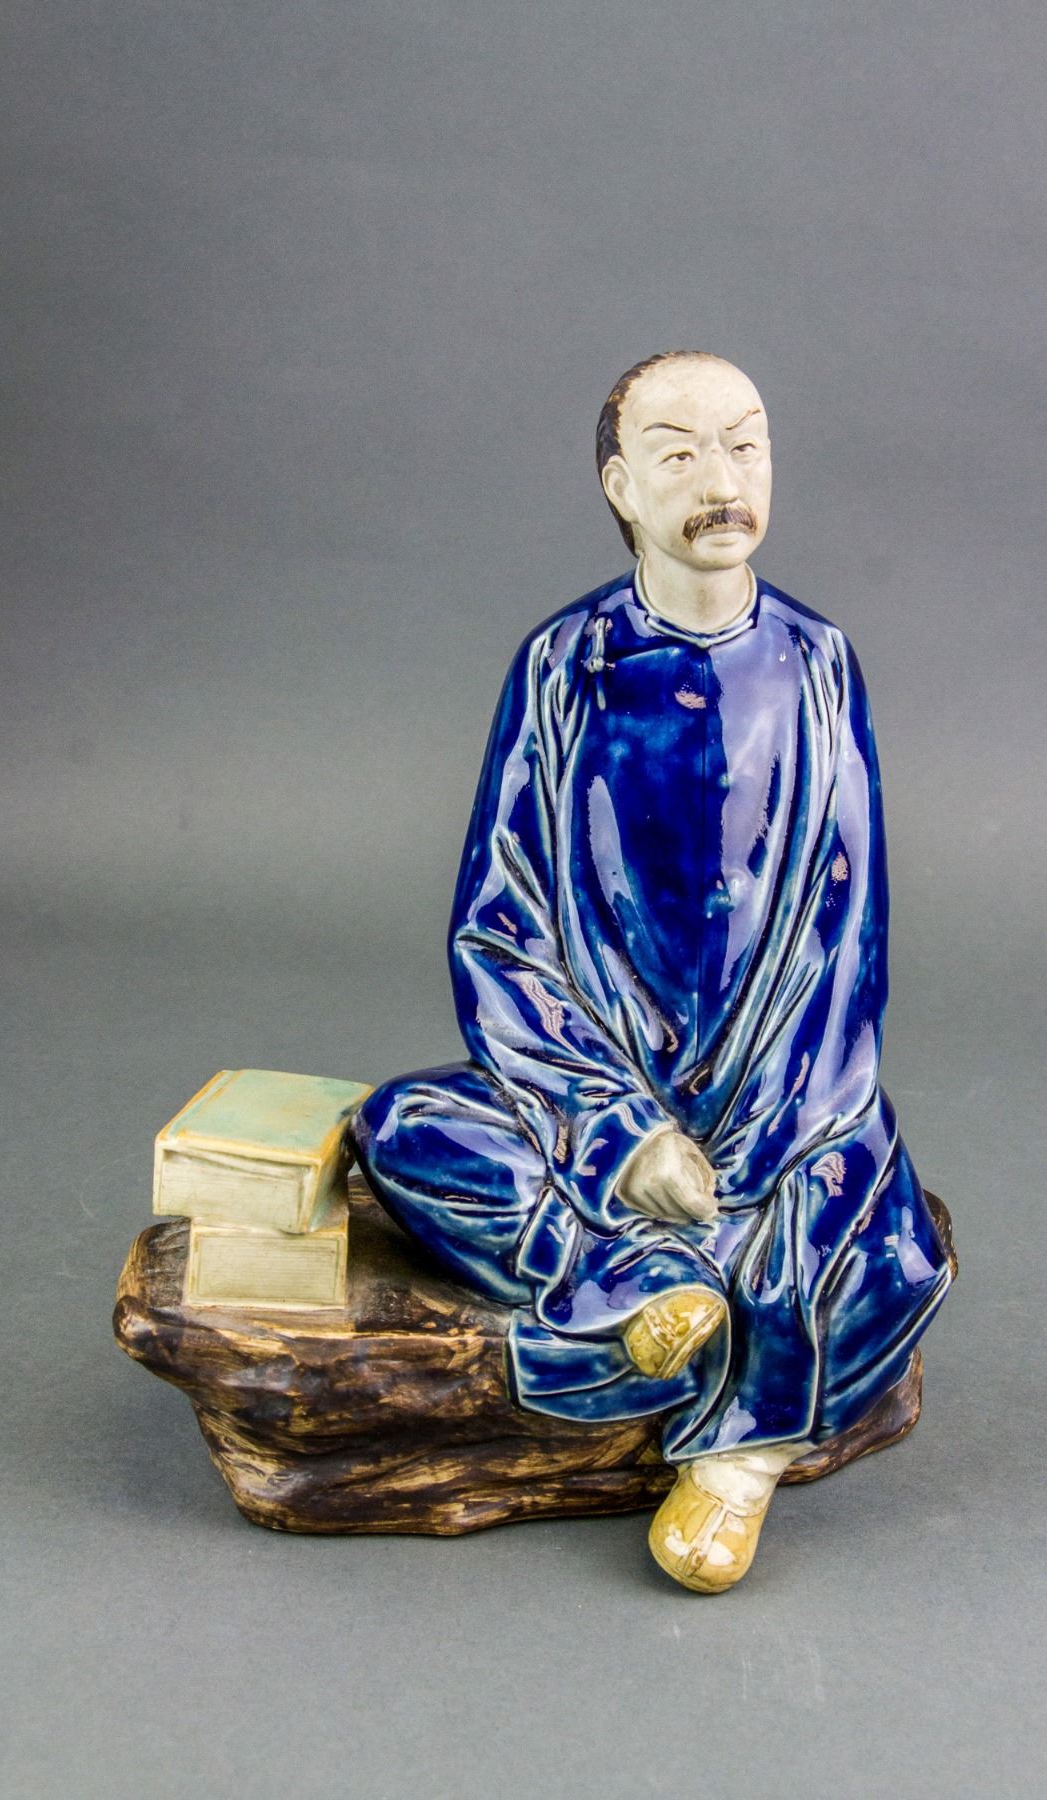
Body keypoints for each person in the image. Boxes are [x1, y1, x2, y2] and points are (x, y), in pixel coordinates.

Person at [353, 351, 953, 1592]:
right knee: (402, 1129)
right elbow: (499, 928)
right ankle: (654, 1279)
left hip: (783, 1101)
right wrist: (621, 1133)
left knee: (858, 1213)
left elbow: (849, 934)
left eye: (746, 444)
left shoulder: (818, 662)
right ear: (622, 487)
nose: (722, 479)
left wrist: (768, 1131)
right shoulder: (563, 665)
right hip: (597, 1094)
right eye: (680, 454)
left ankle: (736, 1458)